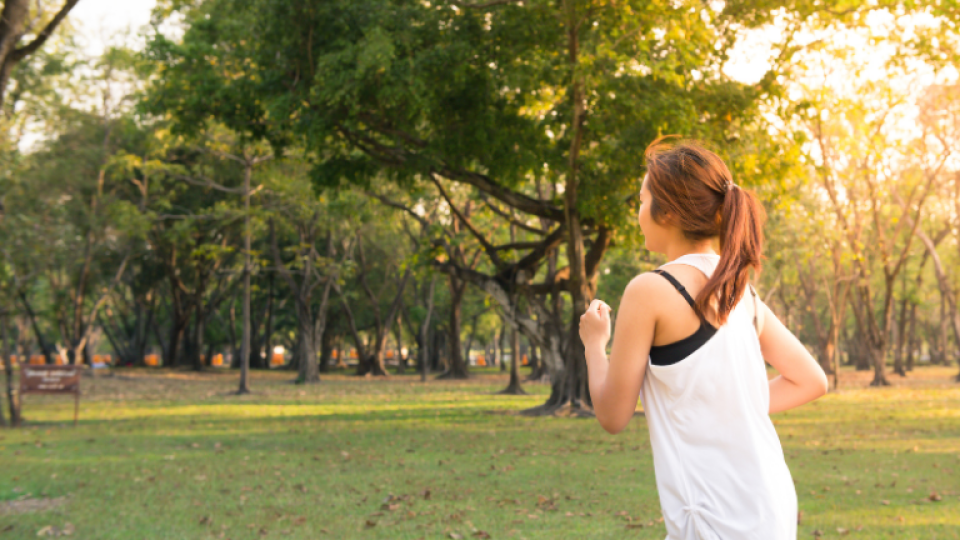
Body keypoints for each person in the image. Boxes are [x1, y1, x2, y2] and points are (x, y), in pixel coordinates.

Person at [579, 137, 828, 539]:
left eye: (642, 202)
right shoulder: (740, 291)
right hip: (770, 504)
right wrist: (731, 406)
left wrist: (594, 344)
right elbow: (811, 380)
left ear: (669, 212)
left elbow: (611, 415)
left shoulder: (650, 291)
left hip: (715, 514)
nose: (638, 214)